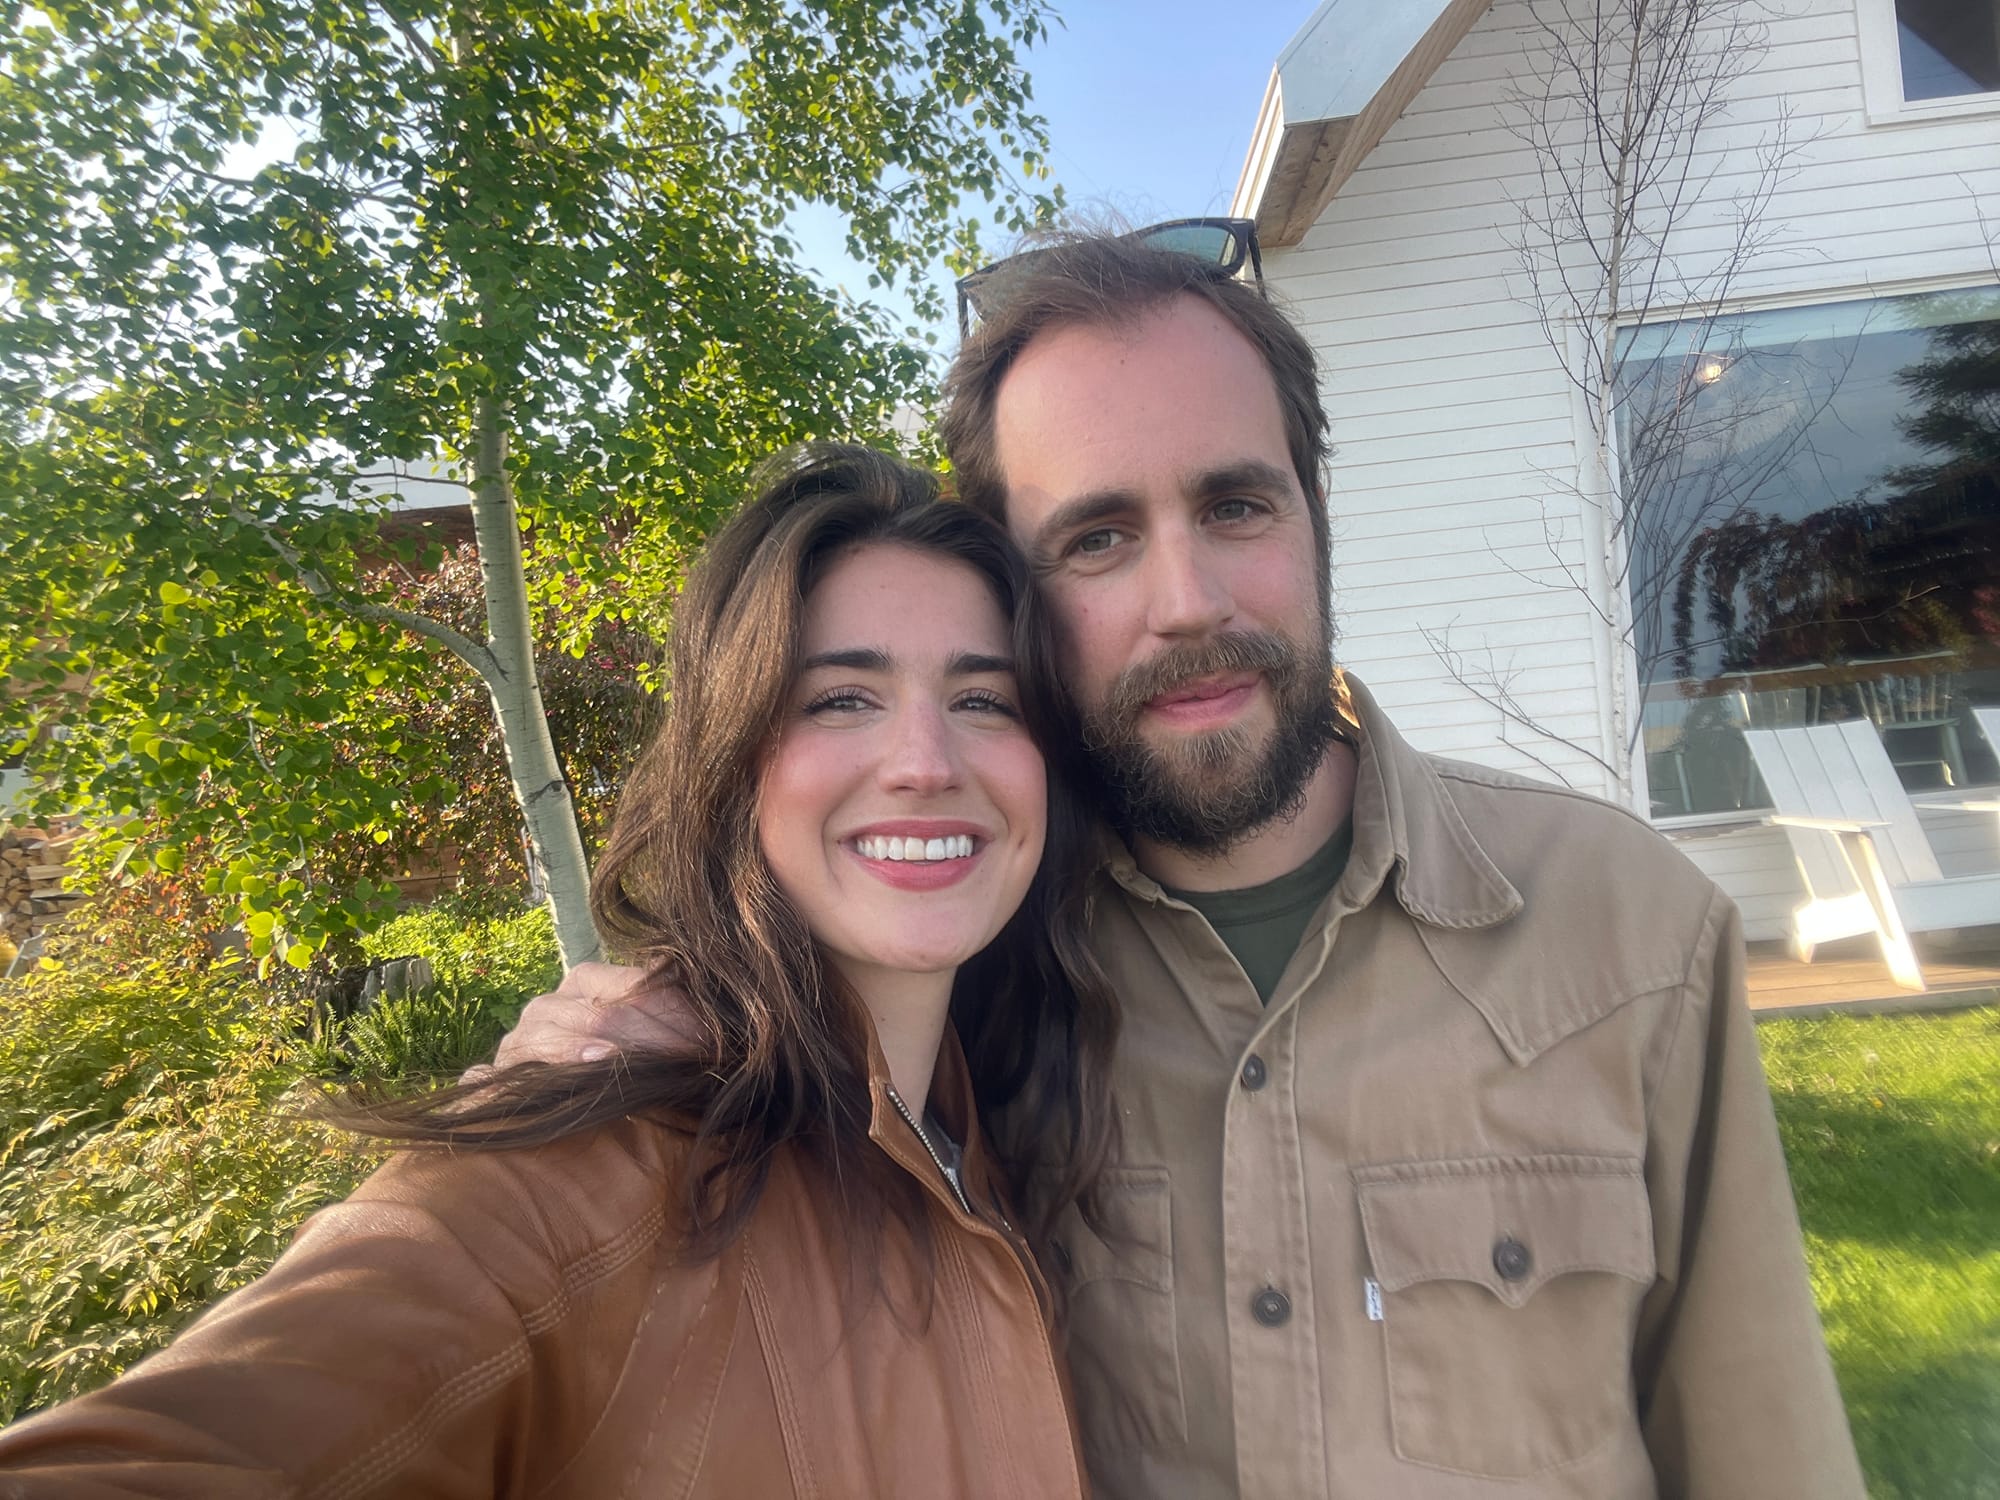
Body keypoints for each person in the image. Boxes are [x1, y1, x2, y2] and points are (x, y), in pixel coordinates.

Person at [502, 229, 1867, 1499]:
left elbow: (1765, 1453)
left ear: (1315, 518)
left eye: (1235, 506)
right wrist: (636, 1050)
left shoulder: (1629, 927)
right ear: (1013, 599)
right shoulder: (958, 968)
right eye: (1096, 540)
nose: (1188, 603)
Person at [0, 444, 1117, 1498]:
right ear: (732, 762)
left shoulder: (1006, 1123)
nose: (925, 762)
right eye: (839, 698)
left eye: (983, 700)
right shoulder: (582, 1181)